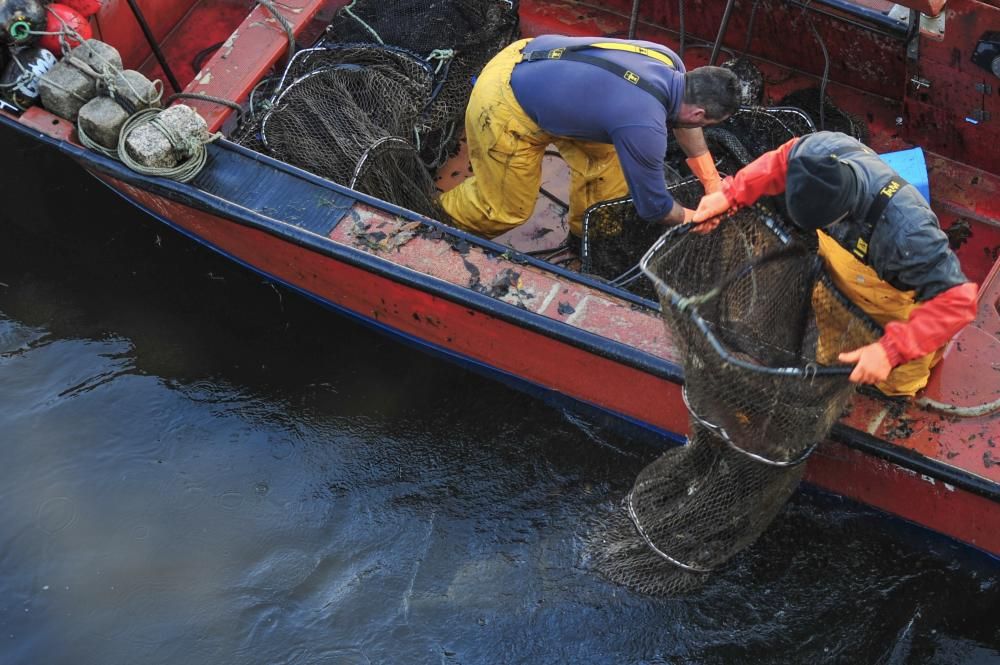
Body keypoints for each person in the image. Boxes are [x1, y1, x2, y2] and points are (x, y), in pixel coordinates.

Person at [691, 130, 979, 397]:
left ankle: (894, 397)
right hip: (838, 274)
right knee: (832, 347)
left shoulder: (908, 234)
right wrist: (729, 195)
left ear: (844, 212)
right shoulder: (820, 151)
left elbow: (958, 300)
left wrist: (890, 351)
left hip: (891, 296)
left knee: (896, 380)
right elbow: (783, 158)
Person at [440, 35, 741, 247]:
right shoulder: (643, 127)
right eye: (706, 122)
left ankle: (585, 234)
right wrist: (697, 217)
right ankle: (433, 219)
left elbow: (685, 123)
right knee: (505, 210)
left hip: (535, 59)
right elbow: (655, 208)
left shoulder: (669, 60)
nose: (701, 127)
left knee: (607, 168)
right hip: (505, 100)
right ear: (699, 112)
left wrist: (712, 183)